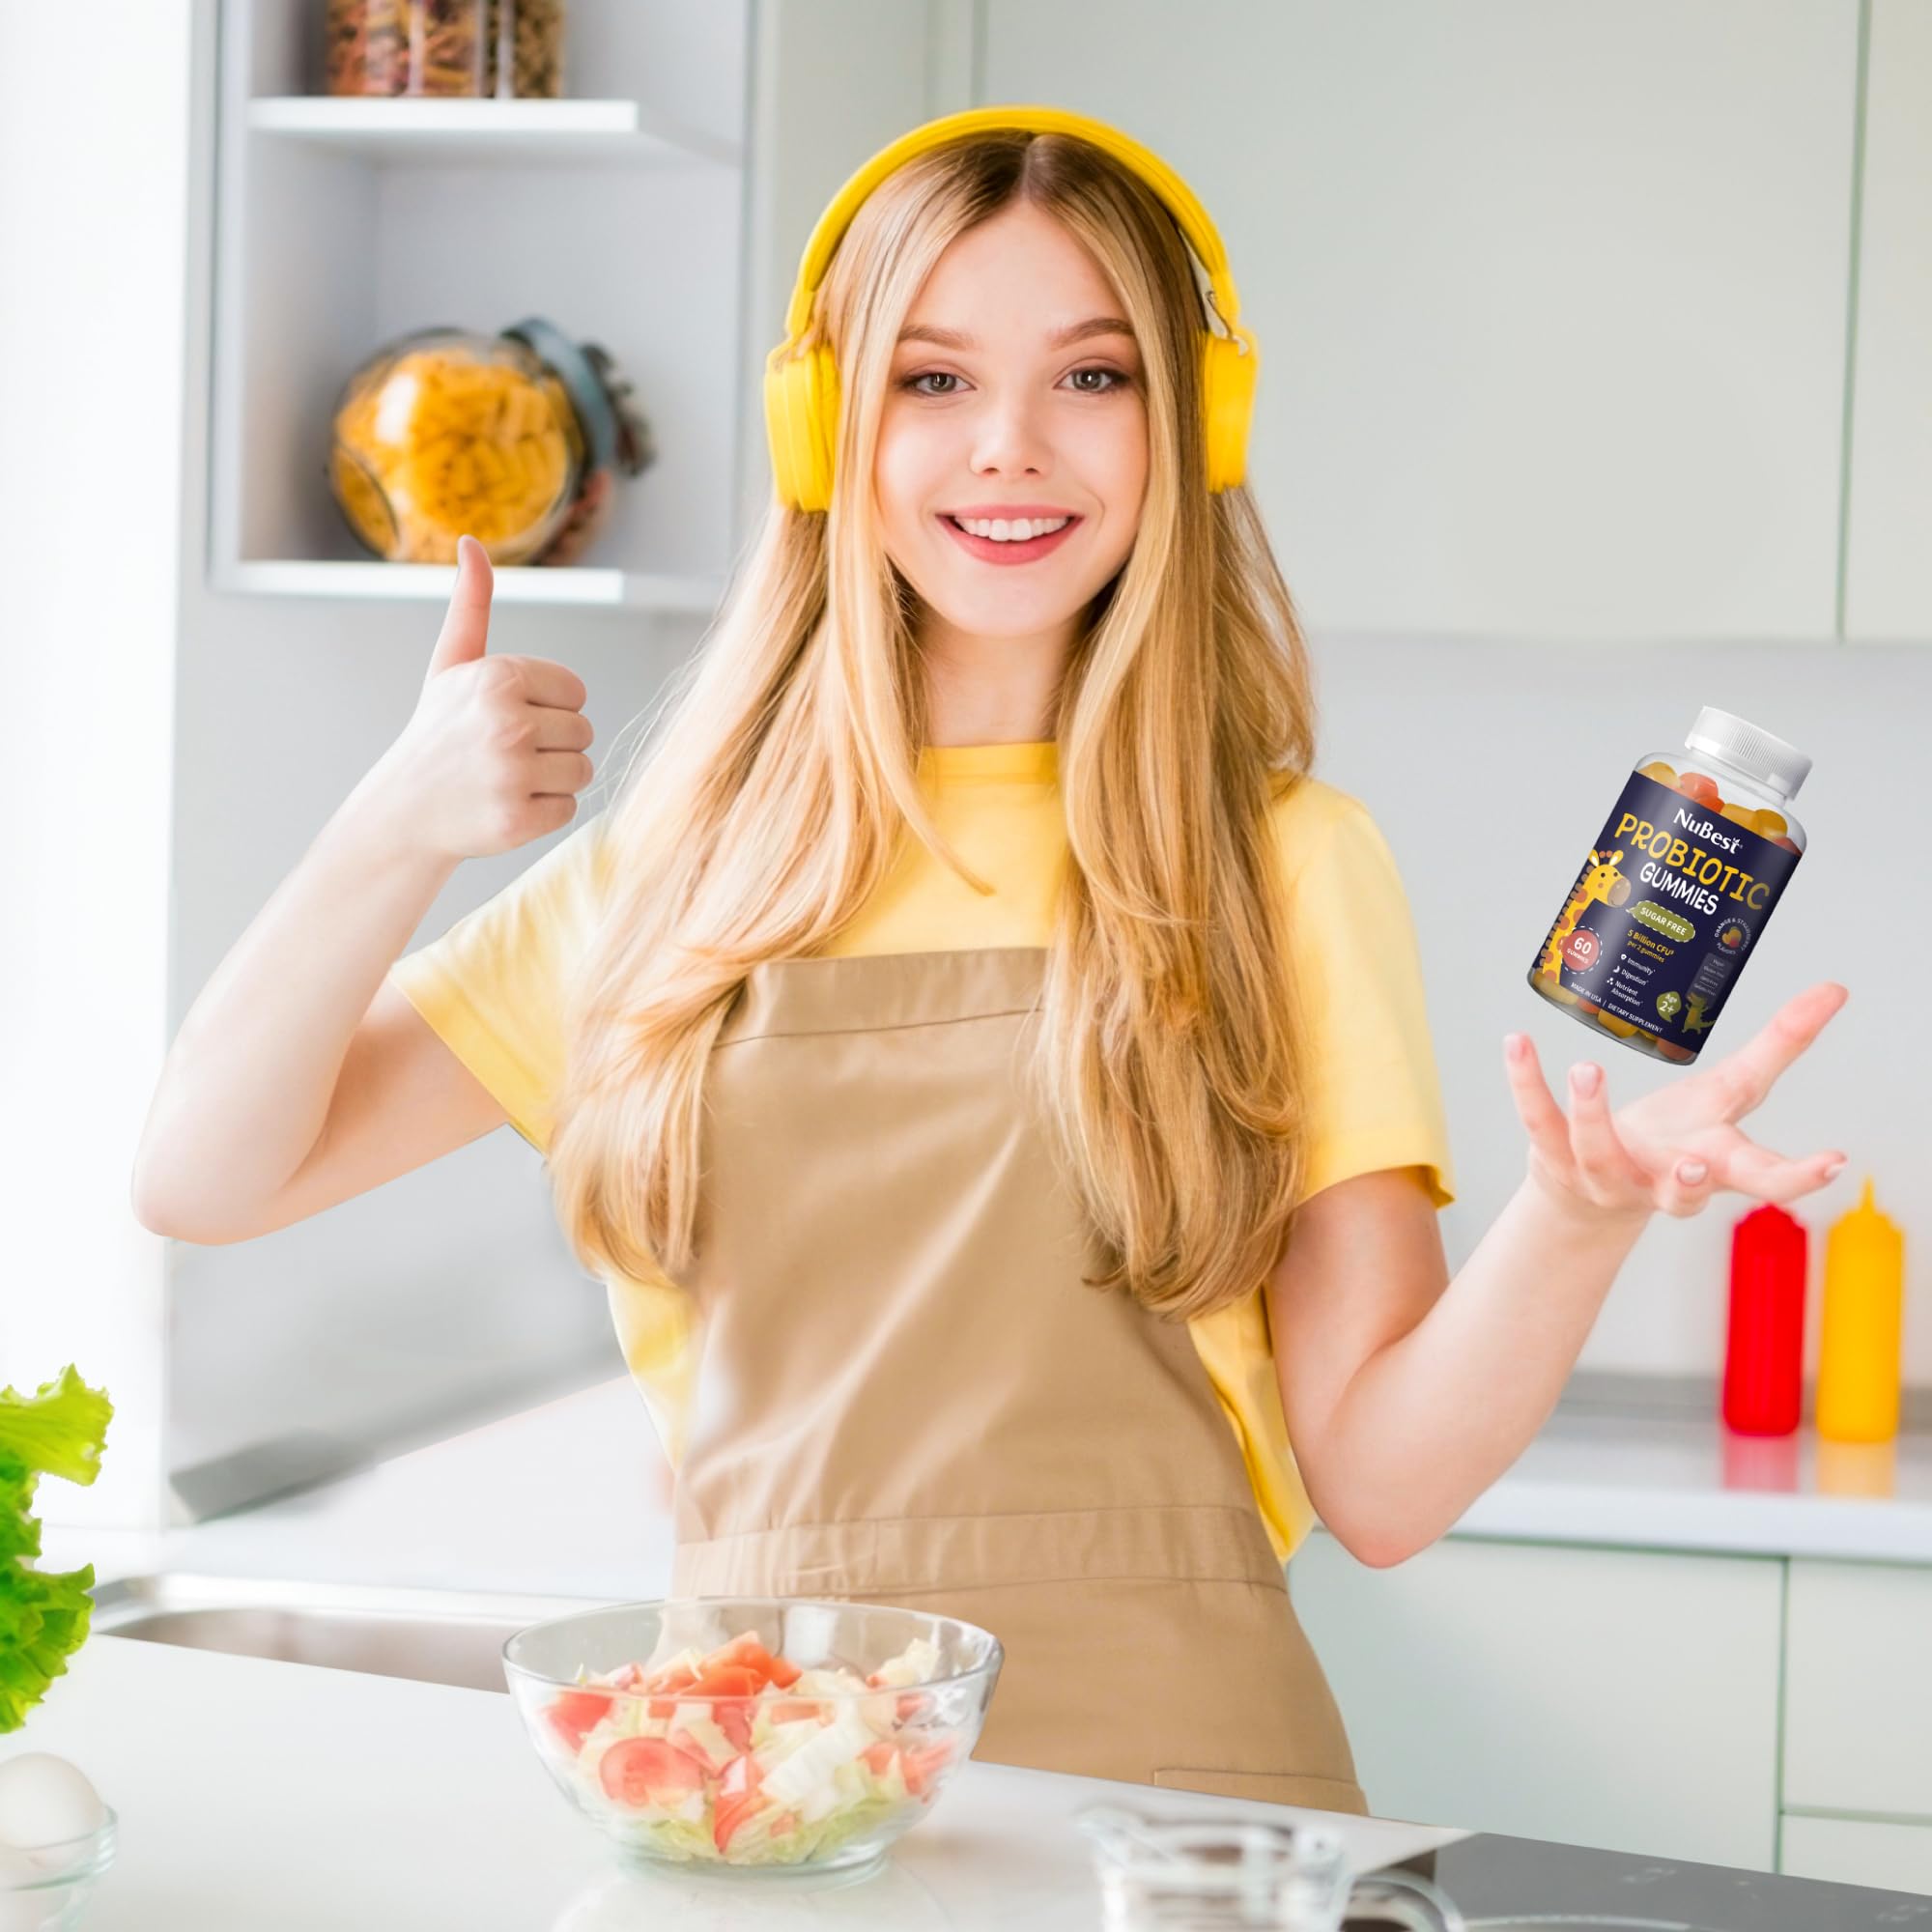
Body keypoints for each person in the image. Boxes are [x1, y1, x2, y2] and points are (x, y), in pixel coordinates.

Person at [131, 105, 1849, 1812]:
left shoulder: (1283, 865)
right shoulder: (678, 874)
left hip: (1184, 1827)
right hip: (778, 1806)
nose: (1011, 447)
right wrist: (394, 825)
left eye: (1093, 378)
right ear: (827, 431)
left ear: (1191, 425)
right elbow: (204, 1173)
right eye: (933, 381)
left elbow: (1382, 1490)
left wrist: (1579, 1219)